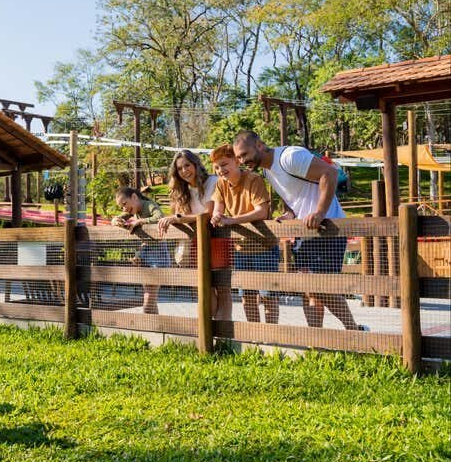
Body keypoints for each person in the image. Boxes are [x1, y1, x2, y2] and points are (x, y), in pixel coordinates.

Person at [232, 130, 367, 331]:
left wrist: (320, 212)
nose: (242, 161)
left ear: (259, 145)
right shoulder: (268, 170)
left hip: (328, 228)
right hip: (305, 231)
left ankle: (354, 330)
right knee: (309, 289)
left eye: (244, 154)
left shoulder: (289, 157)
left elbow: (328, 173)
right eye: (238, 157)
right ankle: (315, 339)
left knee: (321, 288)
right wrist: (289, 214)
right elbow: (293, 195)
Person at [157, 149, 232, 319]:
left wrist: (179, 218)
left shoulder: (213, 181)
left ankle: (224, 332)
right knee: (204, 287)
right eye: (180, 169)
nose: (184, 171)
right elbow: (178, 215)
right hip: (196, 241)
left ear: (196, 164)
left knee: (222, 287)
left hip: (217, 238)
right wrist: (174, 218)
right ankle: (209, 328)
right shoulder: (182, 190)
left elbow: (208, 213)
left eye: (187, 165)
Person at [209, 144, 279, 324]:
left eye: (224, 164)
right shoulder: (220, 184)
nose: (220, 170)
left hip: (263, 246)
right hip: (240, 249)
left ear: (236, 160)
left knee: (267, 295)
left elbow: (261, 211)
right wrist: (217, 216)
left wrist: (232, 220)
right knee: (247, 296)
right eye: (216, 167)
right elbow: (218, 209)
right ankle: (254, 334)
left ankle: (271, 335)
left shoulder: (253, 179)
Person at [111, 186, 169, 314]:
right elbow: (120, 217)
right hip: (145, 252)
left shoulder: (148, 205)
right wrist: (115, 220)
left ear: (134, 197)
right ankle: (155, 327)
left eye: (125, 204)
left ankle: (151, 325)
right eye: (121, 206)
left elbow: (160, 218)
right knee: (149, 296)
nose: (124, 208)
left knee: (149, 298)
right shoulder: (132, 209)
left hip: (158, 254)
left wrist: (140, 221)